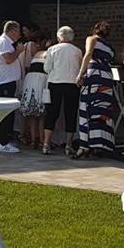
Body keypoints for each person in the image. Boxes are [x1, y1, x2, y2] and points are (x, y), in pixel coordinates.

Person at [76, 21, 117, 158]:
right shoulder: (110, 47)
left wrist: (81, 73)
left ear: (95, 30)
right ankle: (100, 144)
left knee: (86, 108)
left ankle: (84, 145)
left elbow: (88, 54)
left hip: (94, 76)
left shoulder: (92, 39)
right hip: (106, 78)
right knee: (102, 110)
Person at [42, 26, 83, 156]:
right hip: (72, 84)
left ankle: (46, 143)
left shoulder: (52, 49)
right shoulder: (77, 51)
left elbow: (46, 68)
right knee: (71, 113)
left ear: (59, 37)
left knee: (52, 113)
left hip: (55, 83)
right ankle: (68, 145)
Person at [0, 20, 24, 153]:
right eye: (18, 31)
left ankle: (5, 139)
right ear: (12, 31)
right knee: (5, 113)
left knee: (8, 112)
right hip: (3, 82)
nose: (19, 34)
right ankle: (2, 142)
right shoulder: (3, 41)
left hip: (8, 81)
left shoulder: (6, 42)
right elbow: (8, 59)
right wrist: (18, 51)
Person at [16, 23, 43, 147]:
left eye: (25, 30)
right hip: (31, 79)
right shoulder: (31, 45)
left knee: (28, 110)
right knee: (35, 111)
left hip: (25, 78)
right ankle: (31, 135)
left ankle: (27, 134)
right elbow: (29, 64)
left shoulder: (25, 45)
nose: (24, 33)